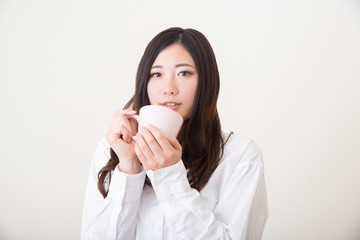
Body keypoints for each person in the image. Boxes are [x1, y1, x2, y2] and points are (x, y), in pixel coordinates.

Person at [81, 27, 268, 240]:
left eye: (184, 73)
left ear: (206, 82)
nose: (168, 88)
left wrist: (168, 174)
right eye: (157, 74)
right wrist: (129, 168)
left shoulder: (240, 155)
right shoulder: (113, 148)